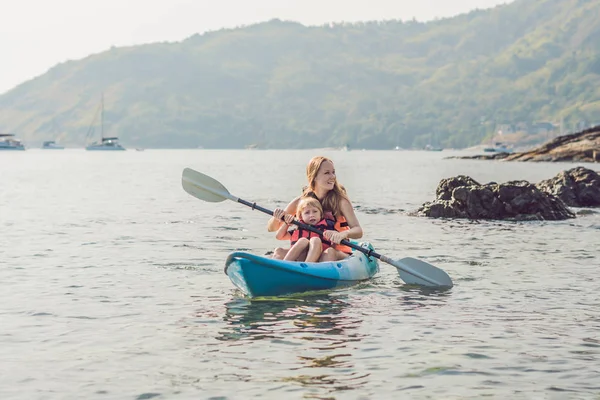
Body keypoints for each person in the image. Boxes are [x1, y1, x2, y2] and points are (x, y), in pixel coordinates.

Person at [268, 156, 363, 261]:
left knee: (329, 253)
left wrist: (343, 234)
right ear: (314, 177)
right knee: (279, 252)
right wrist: (277, 218)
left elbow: (358, 231)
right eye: (327, 173)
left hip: (335, 252)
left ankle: (307, 270)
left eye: (333, 172)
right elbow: (271, 228)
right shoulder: (302, 202)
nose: (333, 177)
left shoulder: (341, 202)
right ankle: (285, 269)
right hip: (308, 251)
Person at [275, 197, 334, 262]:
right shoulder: (298, 229)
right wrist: (286, 223)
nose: (311, 215)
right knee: (279, 250)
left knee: (315, 240)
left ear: (321, 214)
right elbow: (279, 236)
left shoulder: (328, 228)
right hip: (299, 258)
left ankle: (308, 265)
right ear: (301, 216)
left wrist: (336, 235)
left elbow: (335, 243)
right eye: (307, 213)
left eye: (315, 211)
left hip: (317, 260)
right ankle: (283, 265)